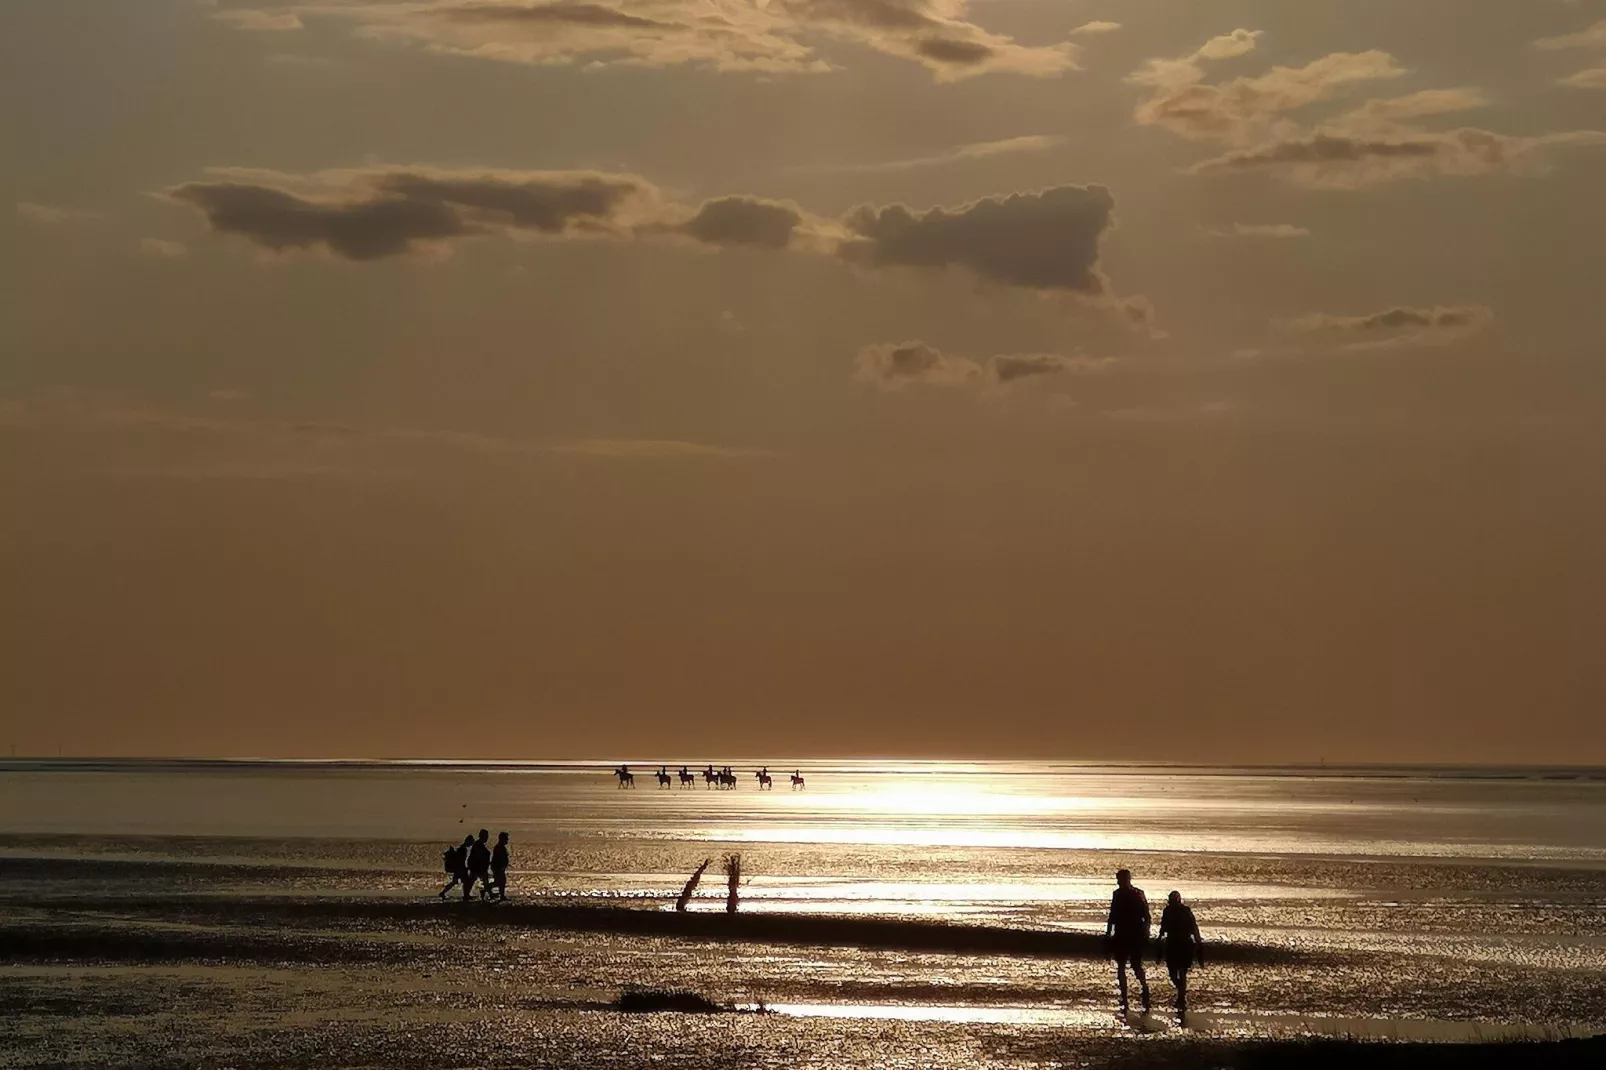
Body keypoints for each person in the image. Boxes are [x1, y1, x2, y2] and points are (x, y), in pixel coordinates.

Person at [1105, 868, 1152, 1012]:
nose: (1118, 882)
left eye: (1119, 879)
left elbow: (1146, 917)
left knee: (1134, 966)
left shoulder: (1136, 894)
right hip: (1124, 934)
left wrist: (1145, 931)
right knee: (1122, 967)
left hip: (1132, 935)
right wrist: (1108, 933)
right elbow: (1112, 916)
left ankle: (1143, 988)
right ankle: (1126, 997)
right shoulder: (1121, 894)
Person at [1156, 890, 1204, 1018]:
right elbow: (1163, 927)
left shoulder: (1184, 911)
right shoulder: (1169, 911)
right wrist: (1159, 940)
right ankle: (1181, 992)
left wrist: (1198, 942)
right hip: (1175, 943)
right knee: (1174, 972)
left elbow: (1193, 927)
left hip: (1182, 943)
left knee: (1180, 972)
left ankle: (1181, 995)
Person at [438, 835, 472, 899]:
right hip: (460, 869)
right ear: (468, 842)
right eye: (471, 842)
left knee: (454, 882)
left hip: (458, 869)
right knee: (466, 882)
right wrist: (465, 868)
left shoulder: (461, 848)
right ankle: (466, 895)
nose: (471, 844)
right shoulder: (463, 850)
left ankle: (442, 893)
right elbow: (460, 861)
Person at [465, 828, 492, 901]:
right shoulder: (478, 845)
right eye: (486, 836)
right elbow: (480, 855)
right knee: (477, 880)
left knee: (474, 880)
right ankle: (489, 893)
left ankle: (489, 893)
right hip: (477, 867)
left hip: (477, 867)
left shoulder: (478, 844)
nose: (487, 838)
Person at [487, 831, 511, 901]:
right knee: (499, 882)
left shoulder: (500, 847)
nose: (507, 840)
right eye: (506, 839)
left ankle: (502, 896)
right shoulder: (499, 847)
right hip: (498, 868)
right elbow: (499, 859)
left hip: (499, 868)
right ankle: (487, 888)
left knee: (501, 882)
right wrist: (501, 867)